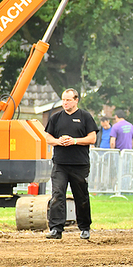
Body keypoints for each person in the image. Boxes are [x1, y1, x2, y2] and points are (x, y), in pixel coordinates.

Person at [44, 88, 98, 240]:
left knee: (81, 197)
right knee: (57, 195)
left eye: (68, 100)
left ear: (76, 100)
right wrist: (58, 141)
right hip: (60, 164)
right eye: (63, 100)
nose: (65, 103)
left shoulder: (85, 116)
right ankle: (56, 228)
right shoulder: (56, 117)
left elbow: (92, 138)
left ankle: (85, 227)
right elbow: (47, 136)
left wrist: (75, 141)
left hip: (79, 164)